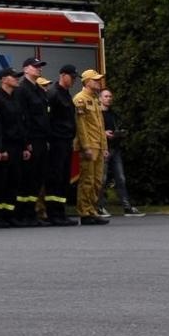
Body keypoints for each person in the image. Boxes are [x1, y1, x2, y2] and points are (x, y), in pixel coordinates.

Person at [13, 58, 50, 226]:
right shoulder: (22, 90)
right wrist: (26, 142)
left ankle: (33, 212)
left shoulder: (39, 91)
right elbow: (21, 118)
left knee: (37, 178)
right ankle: (22, 214)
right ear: (25, 69)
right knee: (27, 178)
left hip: (42, 139)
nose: (39, 69)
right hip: (31, 139)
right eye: (35, 67)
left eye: (40, 67)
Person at [73, 68, 110, 225]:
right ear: (87, 82)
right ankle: (84, 212)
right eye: (95, 80)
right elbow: (81, 126)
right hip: (89, 147)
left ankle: (93, 210)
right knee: (87, 180)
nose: (98, 82)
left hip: (99, 146)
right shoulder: (80, 99)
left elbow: (100, 126)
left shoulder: (95, 99)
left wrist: (105, 146)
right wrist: (86, 146)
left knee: (97, 181)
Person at [0, 67, 25, 227]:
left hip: (17, 146)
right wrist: (0, 148)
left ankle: (10, 214)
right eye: (14, 76)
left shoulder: (15, 99)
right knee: (0, 182)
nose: (17, 79)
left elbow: (20, 123)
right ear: (3, 79)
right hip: (5, 147)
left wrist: (24, 146)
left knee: (14, 181)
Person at [45, 64, 80, 226]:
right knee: (55, 178)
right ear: (62, 75)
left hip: (66, 141)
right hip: (57, 142)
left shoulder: (66, 94)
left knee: (64, 178)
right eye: (71, 77)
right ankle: (53, 214)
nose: (73, 80)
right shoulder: (53, 94)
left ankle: (61, 212)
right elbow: (48, 119)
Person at [100, 89, 143, 216]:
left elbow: (118, 126)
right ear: (100, 98)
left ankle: (127, 207)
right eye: (106, 96)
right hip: (104, 149)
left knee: (121, 178)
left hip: (115, 148)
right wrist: (104, 134)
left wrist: (120, 133)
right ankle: (99, 206)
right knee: (102, 179)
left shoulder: (113, 114)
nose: (109, 98)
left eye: (110, 96)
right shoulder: (97, 114)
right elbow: (93, 130)